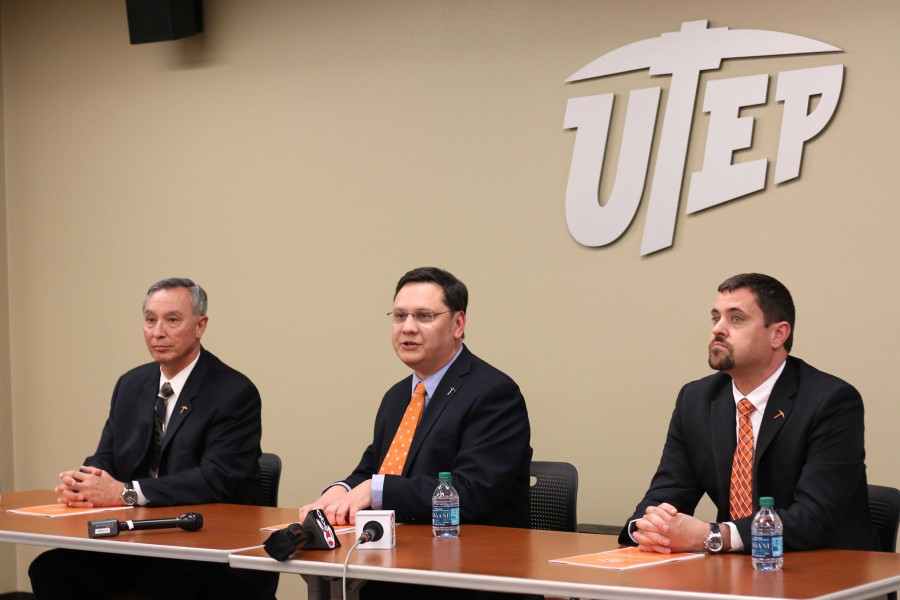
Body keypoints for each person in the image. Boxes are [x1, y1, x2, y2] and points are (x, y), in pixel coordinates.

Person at [29, 278, 278, 600]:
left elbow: (216, 479)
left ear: (200, 325)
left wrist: (126, 493)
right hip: (142, 539)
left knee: (163, 583)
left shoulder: (233, 391)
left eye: (172, 320)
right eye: (150, 320)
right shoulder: (131, 384)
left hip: (206, 545)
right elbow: (107, 455)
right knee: (52, 569)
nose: (158, 331)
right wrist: (85, 484)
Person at [299, 267, 535, 600]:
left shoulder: (494, 392)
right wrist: (338, 493)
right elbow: (374, 470)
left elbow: (471, 492)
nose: (408, 328)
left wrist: (374, 489)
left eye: (424, 316)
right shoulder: (398, 395)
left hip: (472, 577)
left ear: (458, 324)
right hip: (399, 567)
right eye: (399, 316)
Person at [619, 273, 879, 555]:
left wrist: (714, 535)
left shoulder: (830, 401)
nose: (718, 329)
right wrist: (647, 528)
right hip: (735, 572)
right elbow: (667, 493)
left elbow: (813, 518)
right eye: (715, 318)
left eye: (736, 319)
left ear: (778, 334)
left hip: (827, 570)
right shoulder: (695, 400)